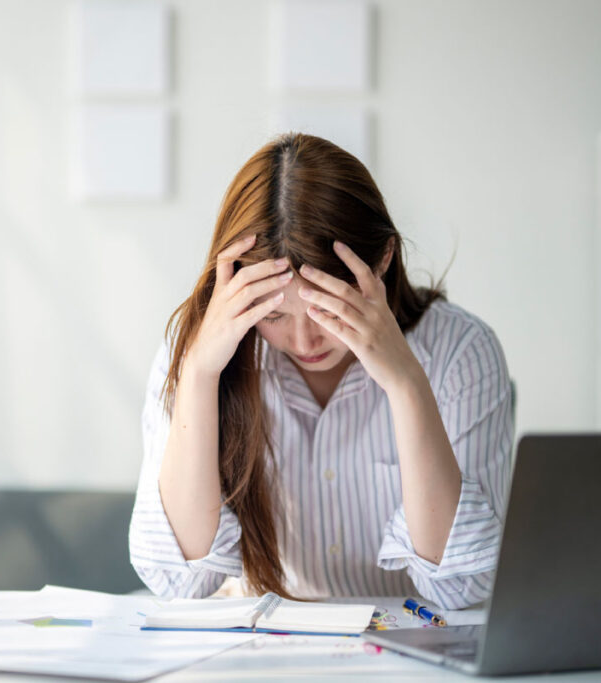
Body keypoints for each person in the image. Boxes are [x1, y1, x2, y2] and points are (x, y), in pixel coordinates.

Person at [129, 133, 513, 608]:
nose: (305, 343)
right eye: (273, 316)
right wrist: (201, 375)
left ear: (384, 259)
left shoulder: (460, 352)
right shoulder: (193, 353)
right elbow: (178, 581)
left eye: (327, 312)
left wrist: (406, 383)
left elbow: (461, 587)